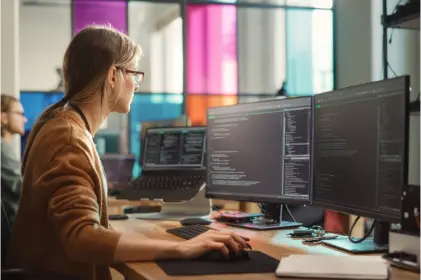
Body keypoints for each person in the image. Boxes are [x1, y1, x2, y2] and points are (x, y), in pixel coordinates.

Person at [6, 25, 248, 280]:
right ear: (113, 75)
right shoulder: (68, 137)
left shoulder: (62, 124)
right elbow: (80, 236)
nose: (136, 84)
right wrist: (182, 248)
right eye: (135, 74)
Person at [0, 95, 26, 225]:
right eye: (19, 114)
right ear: (3, 117)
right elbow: (22, 189)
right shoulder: (2, 149)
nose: (25, 119)